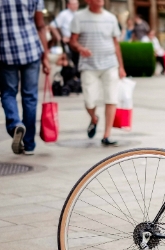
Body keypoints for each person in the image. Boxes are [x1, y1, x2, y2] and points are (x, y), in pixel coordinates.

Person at [0, 0, 50, 155]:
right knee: (30, 97)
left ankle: (15, 124)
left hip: (6, 51)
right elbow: (40, 25)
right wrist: (46, 56)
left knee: (8, 93)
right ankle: (29, 144)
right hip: (31, 49)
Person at [69, 0, 126, 146]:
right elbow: (72, 41)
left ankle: (107, 135)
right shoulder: (79, 17)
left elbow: (116, 43)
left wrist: (121, 67)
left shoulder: (111, 18)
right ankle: (94, 118)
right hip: (88, 66)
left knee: (111, 98)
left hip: (110, 64)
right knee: (89, 100)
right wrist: (81, 48)